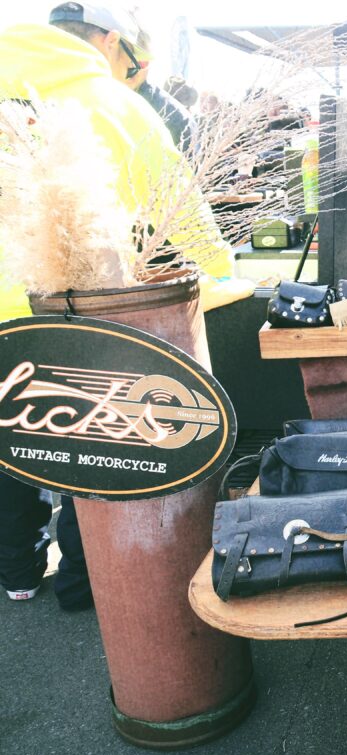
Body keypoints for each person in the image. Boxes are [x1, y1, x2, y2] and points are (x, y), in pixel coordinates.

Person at [0, 1, 233, 609]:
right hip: (77, 311)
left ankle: (17, 573)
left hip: (8, 316)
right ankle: (83, 584)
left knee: (9, 444)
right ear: (109, 41)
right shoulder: (114, 105)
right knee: (84, 444)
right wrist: (221, 274)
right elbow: (183, 210)